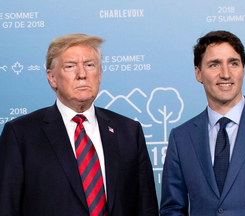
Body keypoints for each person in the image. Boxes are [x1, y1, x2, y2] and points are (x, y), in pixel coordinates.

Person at [0, 33, 158, 216]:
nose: (82, 74)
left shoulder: (130, 132)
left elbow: (147, 209)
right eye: (70, 66)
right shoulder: (20, 134)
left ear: (99, 75)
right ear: (52, 78)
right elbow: (6, 208)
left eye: (90, 65)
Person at [160, 30, 245, 215]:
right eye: (214, 65)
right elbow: (172, 209)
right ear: (198, 73)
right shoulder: (181, 137)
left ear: (243, 69)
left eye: (233, 63)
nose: (225, 74)